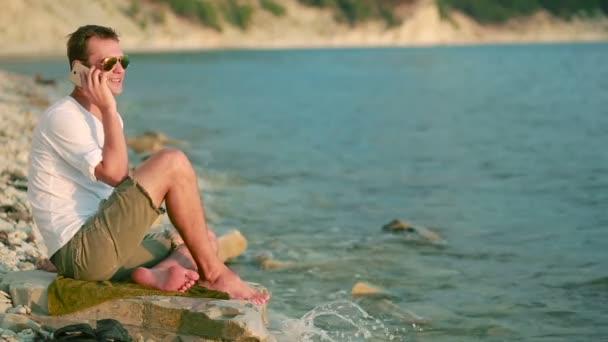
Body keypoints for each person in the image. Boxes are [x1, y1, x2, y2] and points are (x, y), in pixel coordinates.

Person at [28, 25, 269, 304]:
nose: (119, 69)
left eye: (123, 61)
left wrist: (108, 113)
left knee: (203, 242)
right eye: (108, 63)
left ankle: (155, 274)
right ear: (79, 70)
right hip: (84, 252)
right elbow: (117, 175)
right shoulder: (64, 116)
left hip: (103, 246)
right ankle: (216, 277)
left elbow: (117, 188)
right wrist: (108, 108)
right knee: (172, 161)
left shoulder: (109, 119)